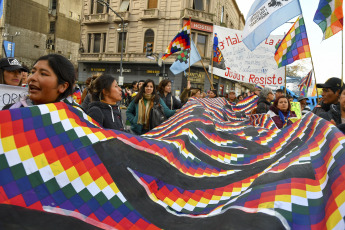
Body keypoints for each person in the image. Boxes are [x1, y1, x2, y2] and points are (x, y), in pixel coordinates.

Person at [3, 54, 76, 109]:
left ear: (63, 86)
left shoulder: (76, 119)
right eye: (33, 72)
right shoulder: (10, 110)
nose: (32, 77)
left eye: (43, 74)